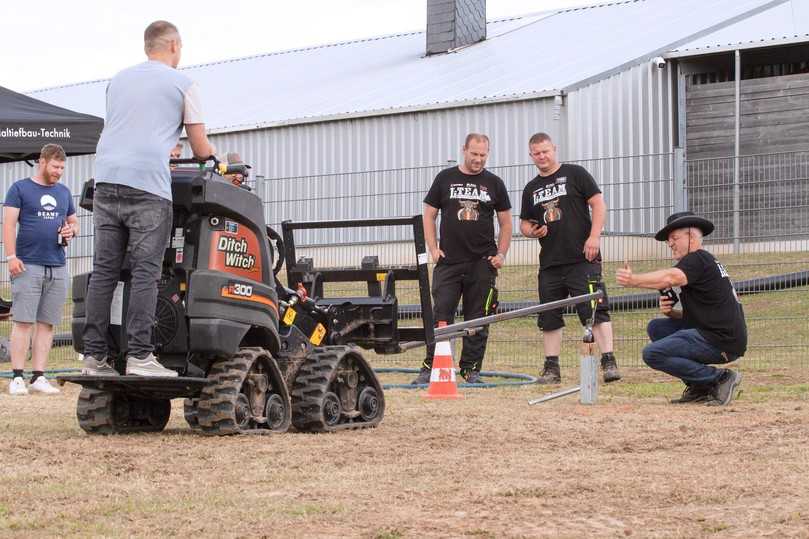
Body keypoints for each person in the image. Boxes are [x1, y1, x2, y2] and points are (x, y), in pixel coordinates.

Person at [82, 20, 215, 377]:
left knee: (106, 272)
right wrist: (214, 158)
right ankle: (140, 356)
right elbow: (201, 147)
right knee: (145, 272)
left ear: (147, 47)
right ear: (174, 45)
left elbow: (129, 128)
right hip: (147, 188)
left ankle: (95, 357)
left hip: (107, 181)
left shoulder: (118, 81)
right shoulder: (184, 83)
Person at [519, 132, 620, 384]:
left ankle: (609, 362)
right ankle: (552, 369)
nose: (542, 156)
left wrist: (594, 237)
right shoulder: (531, 188)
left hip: (582, 258)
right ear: (531, 155)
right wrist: (532, 231)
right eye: (537, 153)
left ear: (554, 149)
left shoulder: (576, 174)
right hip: (550, 263)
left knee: (595, 310)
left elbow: (598, 204)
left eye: (546, 151)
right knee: (550, 316)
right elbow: (523, 223)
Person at [411, 133, 512, 385]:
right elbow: (428, 215)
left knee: (477, 318)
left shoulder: (495, 183)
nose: (478, 159)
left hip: (482, 262)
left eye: (483, 155)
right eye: (474, 154)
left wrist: (501, 254)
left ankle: (471, 370)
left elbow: (506, 222)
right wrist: (433, 248)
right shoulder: (445, 178)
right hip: (449, 262)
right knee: (441, 314)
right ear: (464, 150)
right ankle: (432, 366)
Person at [616, 212, 746, 405]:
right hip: (719, 334)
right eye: (668, 240)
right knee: (657, 327)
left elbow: (671, 277)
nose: (670, 243)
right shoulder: (703, 262)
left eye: (675, 238)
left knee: (652, 354)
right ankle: (699, 387)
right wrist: (671, 313)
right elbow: (706, 313)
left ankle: (720, 378)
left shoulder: (697, 258)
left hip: (720, 340)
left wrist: (633, 280)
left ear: (692, 237)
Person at [2, 144, 78, 395]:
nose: (59, 172)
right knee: (23, 321)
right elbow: (9, 224)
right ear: (42, 162)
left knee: (47, 324)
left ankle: (39, 376)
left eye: (62, 168)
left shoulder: (64, 192)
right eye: (55, 167)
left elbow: (73, 221)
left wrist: (72, 230)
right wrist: (11, 257)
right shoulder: (19, 189)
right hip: (27, 264)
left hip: (57, 265)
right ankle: (17, 377)